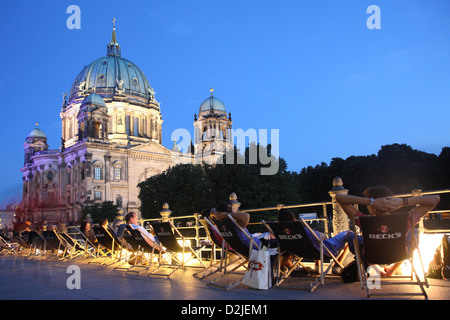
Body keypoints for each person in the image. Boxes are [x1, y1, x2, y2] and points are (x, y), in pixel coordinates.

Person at [336, 185, 440, 276]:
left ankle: (377, 269)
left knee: (351, 236)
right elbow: (435, 199)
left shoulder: (363, 220)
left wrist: (371, 202)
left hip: (370, 257)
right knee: (414, 233)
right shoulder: (406, 219)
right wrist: (403, 201)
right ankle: (392, 270)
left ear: (372, 207)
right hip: (400, 255)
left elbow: (339, 197)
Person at [277, 208, 349, 272]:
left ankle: (317, 266)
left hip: (303, 253)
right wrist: (324, 235)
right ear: (293, 218)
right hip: (328, 249)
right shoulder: (302, 231)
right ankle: (336, 266)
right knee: (348, 234)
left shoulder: (281, 234)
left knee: (314, 241)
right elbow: (325, 236)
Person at [211, 202, 276, 250]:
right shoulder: (234, 225)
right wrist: (228, 215)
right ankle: (278, 264)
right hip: (258, 247)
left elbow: (211, 211)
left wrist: (221, 215)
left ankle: (281, 264)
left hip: (241, 248)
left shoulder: (222, 225)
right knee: (282, 244)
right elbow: (246, 216)